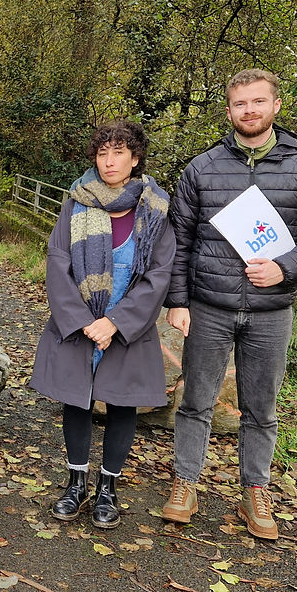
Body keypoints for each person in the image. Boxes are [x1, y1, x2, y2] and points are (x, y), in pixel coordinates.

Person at [161, 69, 297, 540]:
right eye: (241, 104)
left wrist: (286, 267)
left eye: (259, 102)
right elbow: (178, 240)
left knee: (261, 408)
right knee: (195, 400)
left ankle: (255, 491)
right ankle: (185, 482)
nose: (250, 111)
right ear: (228, 110)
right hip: (209, 307)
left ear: (276, 105)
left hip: (271, 311)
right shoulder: (202, 168)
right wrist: (178, 300)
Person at [30, 121, 175, 528]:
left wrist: (115, 322)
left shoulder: (157, 207)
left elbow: (159, 274)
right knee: (76, 400)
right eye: (102, 153)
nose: (109, 162)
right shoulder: (76, 203)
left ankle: (107, 487)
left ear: (135, 157)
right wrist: (81, 321)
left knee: (121, 403)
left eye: (119, 153)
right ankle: (75, 482)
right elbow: (58, 261)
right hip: (79, 324)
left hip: (128, 327)